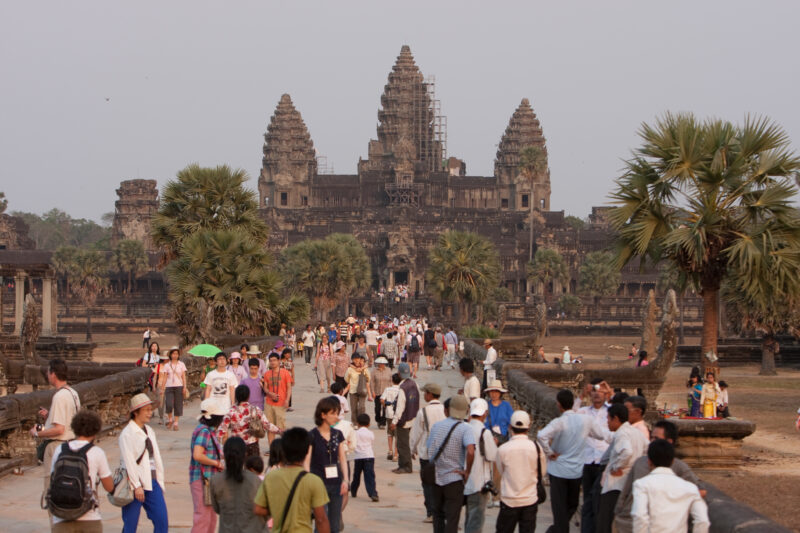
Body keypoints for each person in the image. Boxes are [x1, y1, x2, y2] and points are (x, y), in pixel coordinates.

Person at [614, 420, 705, 533]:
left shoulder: (679, 468)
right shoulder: (640, 463)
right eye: (651, 437)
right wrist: (618, 513)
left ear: (669, 442)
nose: (651, 441)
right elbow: (626, 492)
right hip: (628, 523)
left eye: (656, 438)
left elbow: (700, 491)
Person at [537, 389, 607, 533]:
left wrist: (549, 453)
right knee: (572, 505)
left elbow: (541, 435)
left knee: (559, 508)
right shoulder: (586, 420)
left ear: (559, 405)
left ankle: (556, 530)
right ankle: (557, 529)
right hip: (575, 470)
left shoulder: (560, 422)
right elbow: (600, 435)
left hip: (559, 469)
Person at [254, 427, 331, 533]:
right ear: (306, 452)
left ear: (284, 451)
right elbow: (321, 519)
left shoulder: (271, 477)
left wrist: (278, 508)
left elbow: (258, 509)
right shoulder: (314, 481)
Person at [49, 410, 114, 533]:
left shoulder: (59, 450)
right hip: (89, 517)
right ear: (95, 431)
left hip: (61, 516)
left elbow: (53, 481)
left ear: (74, 428)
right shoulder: (97, 452)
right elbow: (109, 487)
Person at [630, 440, 710, 533]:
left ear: (649, 461)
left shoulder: (642, 484)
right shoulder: (690, 488)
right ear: (672, 461)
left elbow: (639, 516)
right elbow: (703, 521)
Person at [119, 393, 168, 533]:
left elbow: (156, 457)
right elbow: (128, 461)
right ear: (135, 412)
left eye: (150, 409)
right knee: (130, 525)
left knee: (161, 521)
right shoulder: (127, 434)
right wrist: (137, 485)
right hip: (134, 485)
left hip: (152, 481)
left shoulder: (149, 430)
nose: (149, 413)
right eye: (146, 410)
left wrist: (160, 481)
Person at [426, 395, 475, 533]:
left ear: (449, 409)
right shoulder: (466, 428)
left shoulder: (437, 426)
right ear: (465, 411)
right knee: (452, 518)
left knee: (438, 515)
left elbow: (429, 448)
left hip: (436, 477)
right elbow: (471, 451)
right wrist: (467, 471)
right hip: (454, 478)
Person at [31, 358, 80, 494]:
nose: (47, 375)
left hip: (57, 447)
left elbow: (59, 429)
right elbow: (69, 421)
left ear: (53, 374)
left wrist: (37, 433)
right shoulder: (73, 393)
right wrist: (49, 416)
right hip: (71, 444)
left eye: (48, 372)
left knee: (52, 489)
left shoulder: (59, 397)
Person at [596, 404, 648, 533]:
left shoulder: (622, 433)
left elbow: (626, 452)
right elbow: (648, 449)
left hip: (616, 484)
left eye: (608, 419)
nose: (607, 422)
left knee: (605, 521)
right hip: (630, 482)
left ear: (616, 419)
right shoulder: (636, 432)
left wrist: (617, 466)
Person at [495, 410, 548, 533]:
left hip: (509, 499)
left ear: (510, 427)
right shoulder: (536, 447)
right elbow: (542, 471)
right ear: (528, 427)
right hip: (529, 499)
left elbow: (501, 470)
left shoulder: (503, 449)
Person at [305, 397, 349, 533]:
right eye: (333, 413)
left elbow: (342, 458)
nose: (336, 417)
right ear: (323, 415)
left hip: (336, 483)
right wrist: (308, 482)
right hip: (318, 483)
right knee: (321, 521)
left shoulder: (338, 435)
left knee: (334, 524)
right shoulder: (312, 435)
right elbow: (306, 461)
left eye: (337, 413)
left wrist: (346, 480)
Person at [210, 436, 266, 533]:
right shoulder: (255, 480)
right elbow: (264, 510)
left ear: (225, 456)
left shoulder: (216, 480)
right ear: (245, 455)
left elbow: (217, 508)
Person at [409, 382, 446, 523]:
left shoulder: (423, 412)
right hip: (442, 452)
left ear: (430, 394)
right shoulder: (445, 409)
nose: (424, 395)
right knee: (441, 482)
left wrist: (412, 448)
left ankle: (431, 512)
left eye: (425, 393)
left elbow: (416, 432)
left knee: (427, 483)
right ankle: (441, 511)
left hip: (426, 452)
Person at [578, 379, 611, 533]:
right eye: (594, 391)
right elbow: (570, 414)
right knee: (588, 501)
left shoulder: (610, 412)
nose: (597, 394)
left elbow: (622, 411)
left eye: (600, 391)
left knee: (601, 502)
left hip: (604, 462)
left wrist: (610, 393)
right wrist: (581, 395)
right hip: (587, 461)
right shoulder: (584, 411)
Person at [190, 398, 226, 533]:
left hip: (209, 479)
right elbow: (197, 455)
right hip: (201, 478)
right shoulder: (204, 431)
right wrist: (216, 463)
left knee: (211, 518)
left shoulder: (208, 431)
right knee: (203, 518)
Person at [464, 398, 497, 533]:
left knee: (469, 517)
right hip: (479, 482)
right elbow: (492, 456)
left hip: (465, 481)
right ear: (485, 414)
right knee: (476, 521)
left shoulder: (464, 428)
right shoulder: (485, 433)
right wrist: (494, 443)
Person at [217, 385, 280, 457]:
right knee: (252, 467)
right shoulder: (254, 409)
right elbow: (267, 425)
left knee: (237, 468)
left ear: (236, 396)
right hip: (252, 446)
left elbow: (221, 431)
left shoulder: (231, 412)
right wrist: (280, 431)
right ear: (248, 396)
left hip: (236, 446)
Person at [390, 363, 419, 474]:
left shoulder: (402, 388)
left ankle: (406, 466)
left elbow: (400, 407)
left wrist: (394, 421)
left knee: (402, 444)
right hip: (413, 417)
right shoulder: (414, 384)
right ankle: (402, 465)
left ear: (399, 373)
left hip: (404, 419)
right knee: (405, 443)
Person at [264, 351, 293, 444]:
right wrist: (270, 393)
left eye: (274, 360)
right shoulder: (267, 374)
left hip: (281, 403)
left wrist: (287, 400)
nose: (272, 362)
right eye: (271, 360)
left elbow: (289, 388)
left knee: (281, 428)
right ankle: (271, 448)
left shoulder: (285, 373)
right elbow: (265, 388)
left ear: (279, 361)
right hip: (269, 403)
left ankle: (282, 447)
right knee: (270, 427)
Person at [351, 413, 379, 501]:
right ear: (369, 424)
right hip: (369, 456)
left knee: (356, 476)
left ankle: (353, 490)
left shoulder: (355, 433)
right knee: (369, 476)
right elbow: (372, 441)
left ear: (358, 423)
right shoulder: (370, 433)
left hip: (358, 457)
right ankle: (373, 493)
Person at [161, 346, 187, 431]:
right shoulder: (167, 365)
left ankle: (176, 423)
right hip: (169, 386)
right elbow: (165, 377)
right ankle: (170, 420)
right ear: (170, 355)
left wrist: (184, 387)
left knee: (178, 404)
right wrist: (162, 388)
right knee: (168, 404)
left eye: (176, 353)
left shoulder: (181, 364)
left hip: (179, 386)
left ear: (178, 355)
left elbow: (183, 376)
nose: (175, 355)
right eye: (173, 353)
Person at [343, 352, 373, 421]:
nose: (356, 360)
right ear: (352, 360)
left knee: (361, 407)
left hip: (362, 390)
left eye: (358, 359)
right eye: (355, 359)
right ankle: (355, 422)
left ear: (360, 359)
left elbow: (368, 378)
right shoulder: (350, 369)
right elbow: (346, 379)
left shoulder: (364, 368)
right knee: (354, 408)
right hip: (353, 391)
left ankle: (361, 422)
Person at [380, 373, 402, 461]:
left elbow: (382, 400)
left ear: (392, 380)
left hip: (389, 414)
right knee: (397, 435)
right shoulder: (401, 390)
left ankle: (390, 450)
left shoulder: (388, 389)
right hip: (398, 414)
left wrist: (386, 405)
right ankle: (396, 455)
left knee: (390, 433)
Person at [371, 357, 392, 428]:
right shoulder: (374, 371)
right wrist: (372, 392)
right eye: (380, 363)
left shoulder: (389, 370)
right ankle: (378, 420)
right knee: (377, 409)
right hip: (377, 392)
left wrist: (391, 391)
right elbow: (372, 382)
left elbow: (391, 381)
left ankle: (383, 423)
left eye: (383, 363)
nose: (382, 365)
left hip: (386, 393)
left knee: (385, 408)